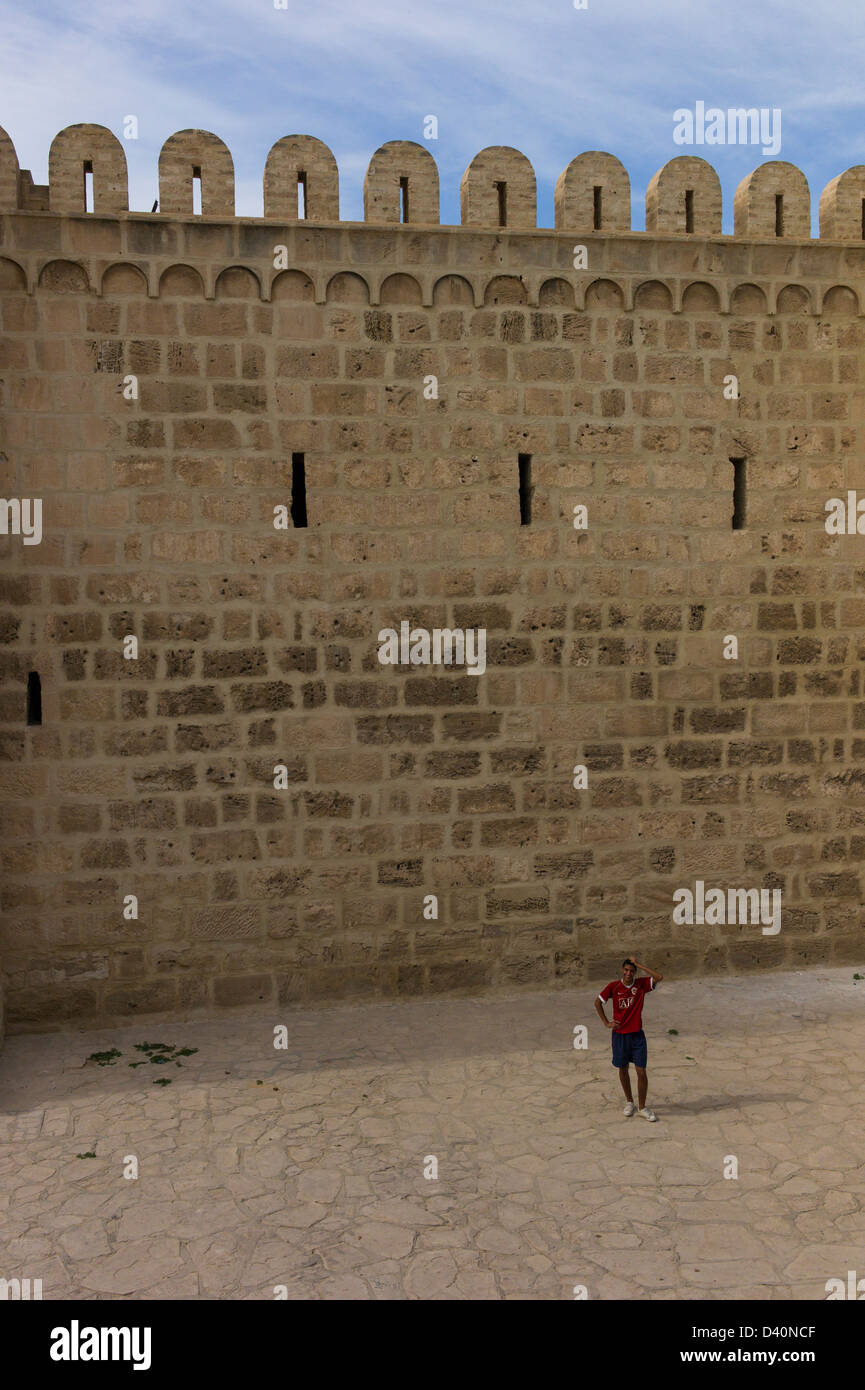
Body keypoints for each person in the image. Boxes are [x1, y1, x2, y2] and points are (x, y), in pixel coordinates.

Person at [594, 957, 663, 1122]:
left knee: (641, 1071)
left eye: (632, 971)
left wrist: (638, 963)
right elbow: (597, 1002)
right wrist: (606, 1022)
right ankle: (629, 1102)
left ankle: (642, 1107)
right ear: (622, 970)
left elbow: (659, 977)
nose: (628, 973)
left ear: (635, 972)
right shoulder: (614, 987)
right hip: (619, 1035)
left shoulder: (640, 985)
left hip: (637, 1035)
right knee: (622, 1068)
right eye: (626, 970)